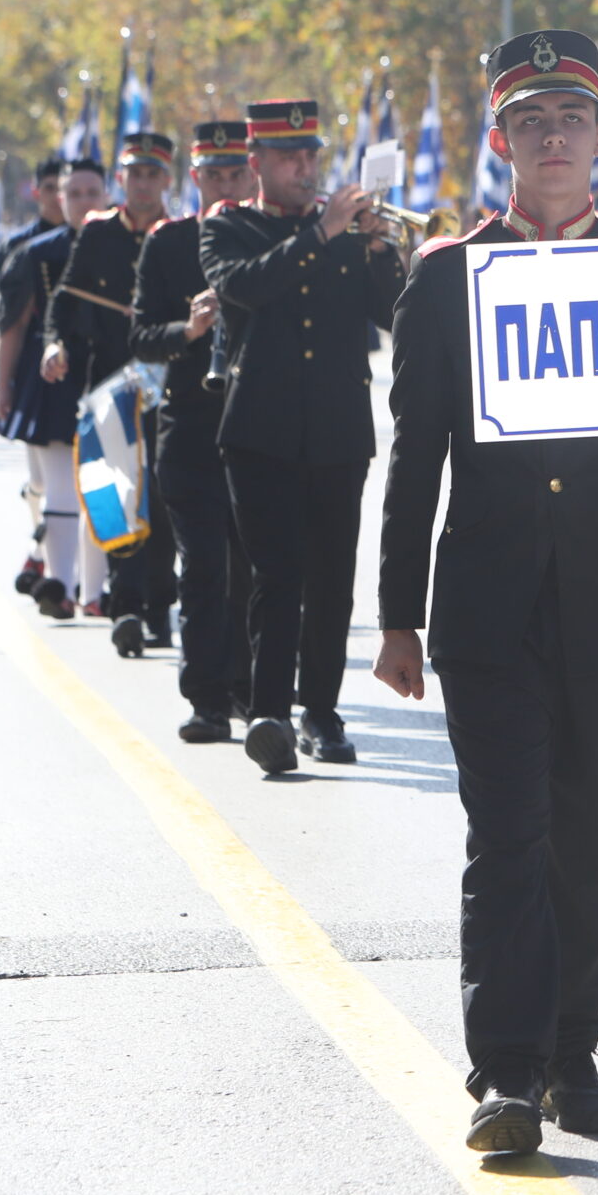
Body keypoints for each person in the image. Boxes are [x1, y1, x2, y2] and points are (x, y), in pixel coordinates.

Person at [374, 28, 598, 1156]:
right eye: (531, 122)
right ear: (502, 142)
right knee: (507, 836)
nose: (555, 137)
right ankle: (509, 1074)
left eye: (572, 118)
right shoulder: (445, 278)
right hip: (485, 607)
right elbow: (414, 451)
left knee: (592, 835)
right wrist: (395, 612)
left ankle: (576, 1054)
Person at [202, 99, 406, 776]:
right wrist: (322, 233)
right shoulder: (230, 228)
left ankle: (321, 710)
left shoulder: (348, 232)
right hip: (260, 432)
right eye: (291, 157)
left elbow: (390, 312)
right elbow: (241, 289)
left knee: (331, 581)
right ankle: (269, 712)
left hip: (339, 431)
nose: (304, 166)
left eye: (312, 155)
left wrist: (379, 249)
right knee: (275, 575)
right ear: (256, 163)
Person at [133, 119, 258, 742]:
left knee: (252, 567)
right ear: (195, 178)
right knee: (203, 564)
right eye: (214, 176)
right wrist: (186, 331)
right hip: (187, 426)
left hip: (257, 425)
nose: (226, 186)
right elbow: (140, 336)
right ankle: (206, 697)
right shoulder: (167, 243)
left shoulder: (269, 240)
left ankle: (248, 687)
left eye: (237, 174)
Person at [51, 131, 181, 658]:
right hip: (110, 384)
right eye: (134, 174)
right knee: (118, 494)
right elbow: (65, 299)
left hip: (170, 385)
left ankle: (159, 607)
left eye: (153, 174)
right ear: (119, 179)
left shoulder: (181, 234)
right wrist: (55, 344)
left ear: (167, 180)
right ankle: (124, 604)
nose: (143, 184)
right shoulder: (98, 233)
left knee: (165, 496)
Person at [0, 160, 110, 618]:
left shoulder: (128, 246)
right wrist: (3, 384)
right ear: (59, 198)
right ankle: (59, 583)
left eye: (92, 192)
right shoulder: (37, 252)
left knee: (102, 489)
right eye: (74, 192)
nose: (84, 201)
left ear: (106, 194)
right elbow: (14, 325)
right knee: (59, 487)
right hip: (53, 379)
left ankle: (93, 591)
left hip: (109, 379)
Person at [0, 155, 72, 593]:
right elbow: (7, 319)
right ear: (39, 192)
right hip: (34, 370)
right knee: (41, 479)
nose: (63, 198)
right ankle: (41, 547)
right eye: (55, 189)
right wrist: (4, 382)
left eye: (71, 188)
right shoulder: (24, 246)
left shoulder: (94, 238)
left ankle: (66, 569)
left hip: (83, 371)